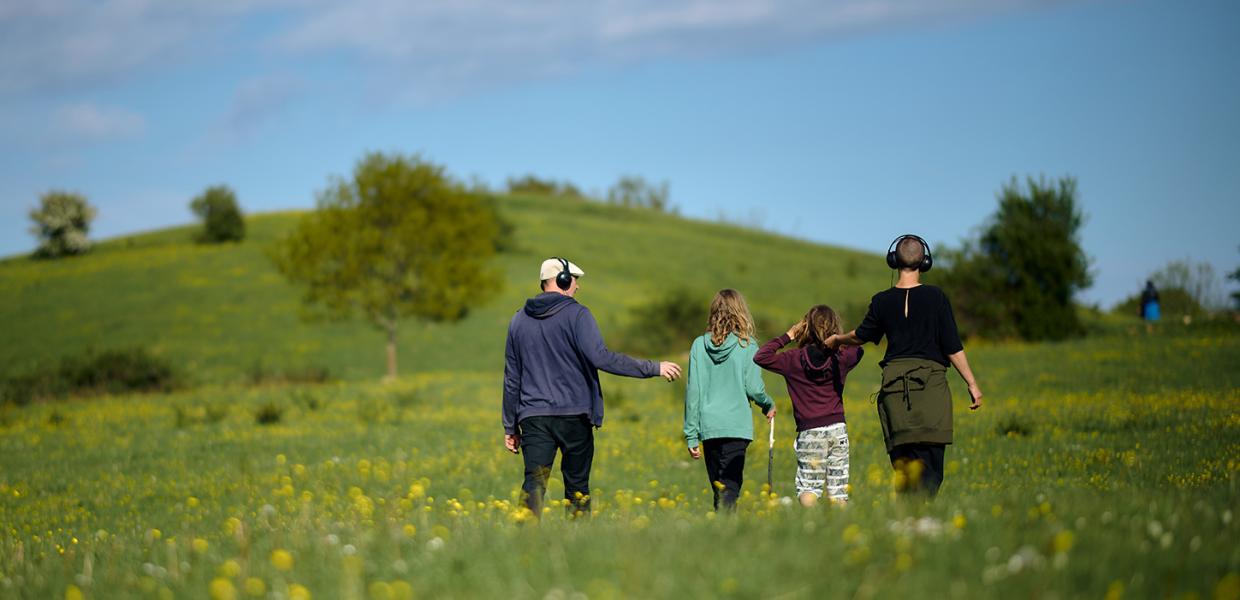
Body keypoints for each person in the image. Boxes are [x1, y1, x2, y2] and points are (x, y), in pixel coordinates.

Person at [502, 257, 681, 518]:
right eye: (574, 280)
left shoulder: (518, 320)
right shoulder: (578, 314)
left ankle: (524, 542)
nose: (577, 287)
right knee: (577, 486)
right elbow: (602, 357)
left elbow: (511, 378)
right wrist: (653, 368)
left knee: (533, 484)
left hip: (533, 417)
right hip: (574, 415)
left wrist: (510, 425)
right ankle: (576, 543)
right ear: (563, 280)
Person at [827, 235, 982, 499]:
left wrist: (837, 339)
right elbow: (952, 346)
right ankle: (920, 523)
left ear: (893, 260)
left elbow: (861, 335)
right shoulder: (937, 297)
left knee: (904, 470)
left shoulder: (881, 301)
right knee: (931, 470)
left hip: (894, 391)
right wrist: (972, 383)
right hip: (930, 389)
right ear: (925, 261)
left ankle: (906, 523)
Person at [754, 305, 863, 507]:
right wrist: (838, 339)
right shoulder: (842, 358)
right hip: (837, 429)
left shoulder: (792, 359)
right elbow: (859, 348)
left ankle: (810, 524)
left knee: (808, 488)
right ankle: (838, 531)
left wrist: (789, 334)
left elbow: (761, 357)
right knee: (838, 491)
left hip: (809, 431)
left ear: (805, 329)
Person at [683, 289, 776, 512]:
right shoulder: (748, 345)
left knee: (718, 489)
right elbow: (753, 387)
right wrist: (768, 403)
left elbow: (693, 392)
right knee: (730, 488)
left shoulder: (698, 346)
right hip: (736, 427)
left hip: (709, 427)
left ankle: (720, 533)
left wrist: (691, 434)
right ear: (741, 312)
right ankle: (726, 530)